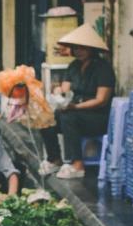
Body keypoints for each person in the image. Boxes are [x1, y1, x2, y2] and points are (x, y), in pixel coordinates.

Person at [39, 24, 115, 179]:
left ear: (91, 49)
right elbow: (65, 89)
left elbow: (101, 100)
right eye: (76, 48)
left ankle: (77, 164)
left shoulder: (103, 68)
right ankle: (55, 159)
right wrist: (59, 94)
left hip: (98, 117)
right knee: (45, 118)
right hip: (77, 112)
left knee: (69, 117)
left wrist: (76, 106)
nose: (79, 51)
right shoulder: (73, 66)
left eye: (83, 48)